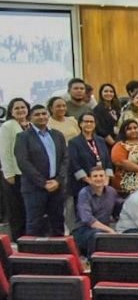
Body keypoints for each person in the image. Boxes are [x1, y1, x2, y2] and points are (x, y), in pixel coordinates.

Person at [15, 104, 68, 236]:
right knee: (34, 223)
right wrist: (43, 183)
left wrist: (58, 180)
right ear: (30, 118)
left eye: (44, 114)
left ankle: (58, 248)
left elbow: (65, 159)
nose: (41, 117)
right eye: (37, 114)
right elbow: (23, 162)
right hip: (34, 188)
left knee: (58, 222)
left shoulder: (58, 135)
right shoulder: (23, 137)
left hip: (57, 187)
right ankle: (32, 250)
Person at [71, 165, 122, 255]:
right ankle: (92, 260)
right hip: (83, 231)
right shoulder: (84, 193)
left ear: (105, 178)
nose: (98, 179)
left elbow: (120, 209)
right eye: (95, 176)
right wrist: (109, 230)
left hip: (104, 229)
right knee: (99, 235)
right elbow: (88, 220)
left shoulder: (111, 191)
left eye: (101, 176)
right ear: (90, 179)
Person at [67, 112, 114, 206]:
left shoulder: (101, 140)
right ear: (80, 124)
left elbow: (108, 161)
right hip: (83, 185)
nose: (89, 124)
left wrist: (106, 179)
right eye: (86, 121)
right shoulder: (73, 142)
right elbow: (74, 164)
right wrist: (90, 181)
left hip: (102, 184)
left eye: (91, 122)